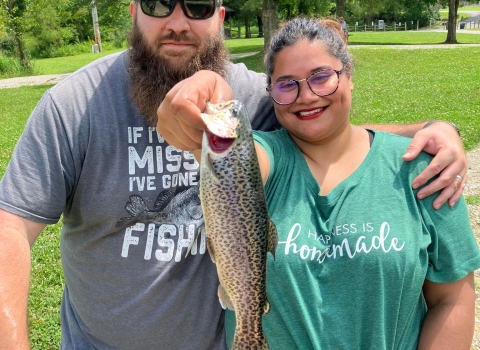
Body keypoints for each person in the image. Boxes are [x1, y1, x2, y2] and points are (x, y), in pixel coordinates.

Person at [0, 0, 468, 348]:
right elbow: (11, 226)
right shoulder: (73, 105)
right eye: (159, 4)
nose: (178, 22)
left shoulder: (254, 95)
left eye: (198, 6)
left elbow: (322, 128)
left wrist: (428, 130)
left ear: (220, 17)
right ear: (133, 12)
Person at [223, 18, 477, 349]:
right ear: (271, 93)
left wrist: (440, 127)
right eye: (287, 84)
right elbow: (231, 153)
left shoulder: (425, 169)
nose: (306, 96)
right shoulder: (261, 159)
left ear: (348, 77)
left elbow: (452, 298)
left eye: (321, 77)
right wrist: (203, 87)